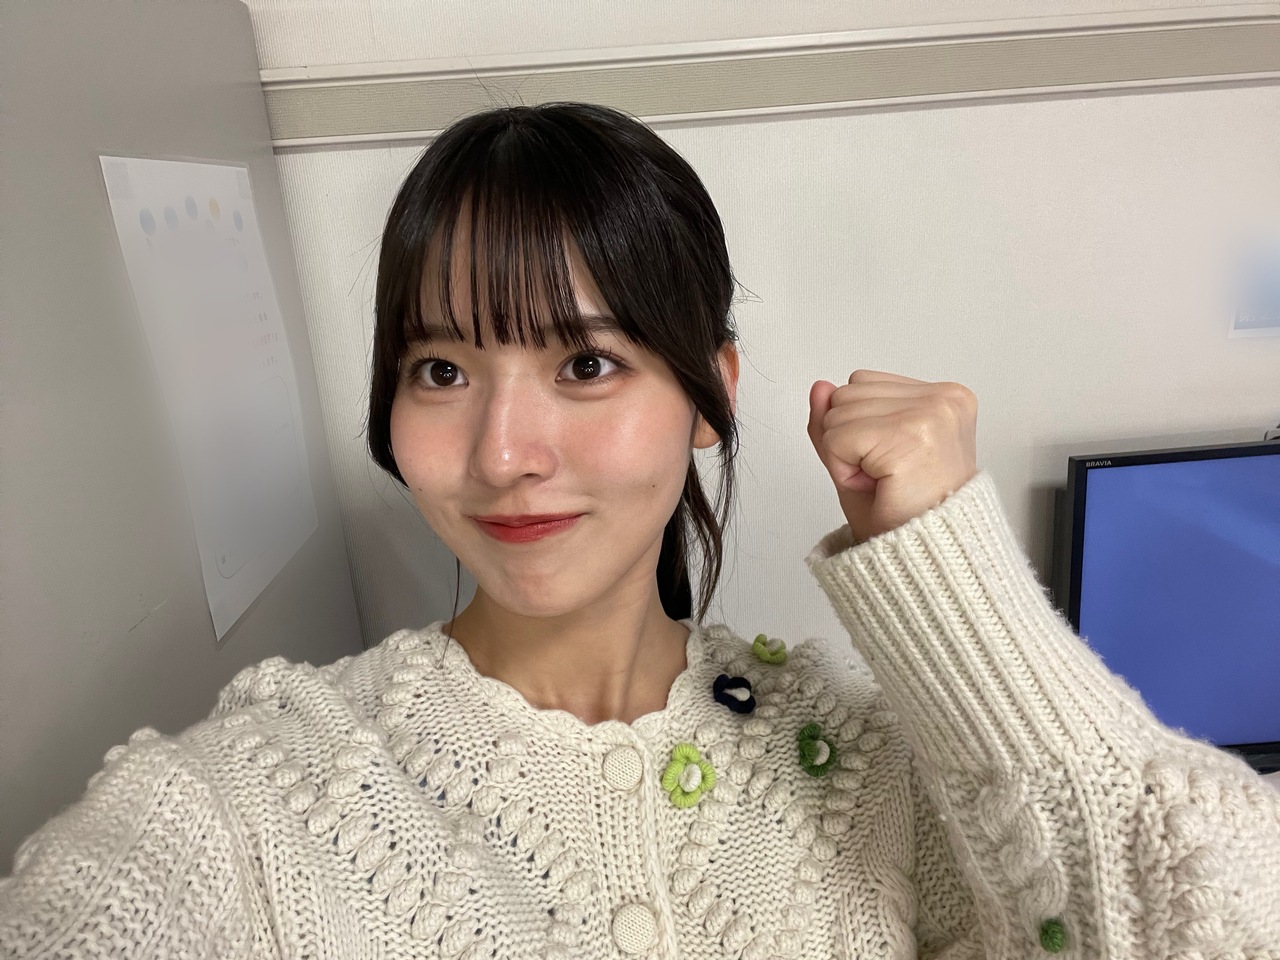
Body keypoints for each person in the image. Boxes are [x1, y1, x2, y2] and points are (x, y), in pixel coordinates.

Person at [2, 101, 1277, 959]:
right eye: (440, 370)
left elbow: (1218, 924)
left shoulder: (871, 772)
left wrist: (952, 578)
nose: (502, 454)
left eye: (586, 364)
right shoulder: (254, 796)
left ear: (710, 392)